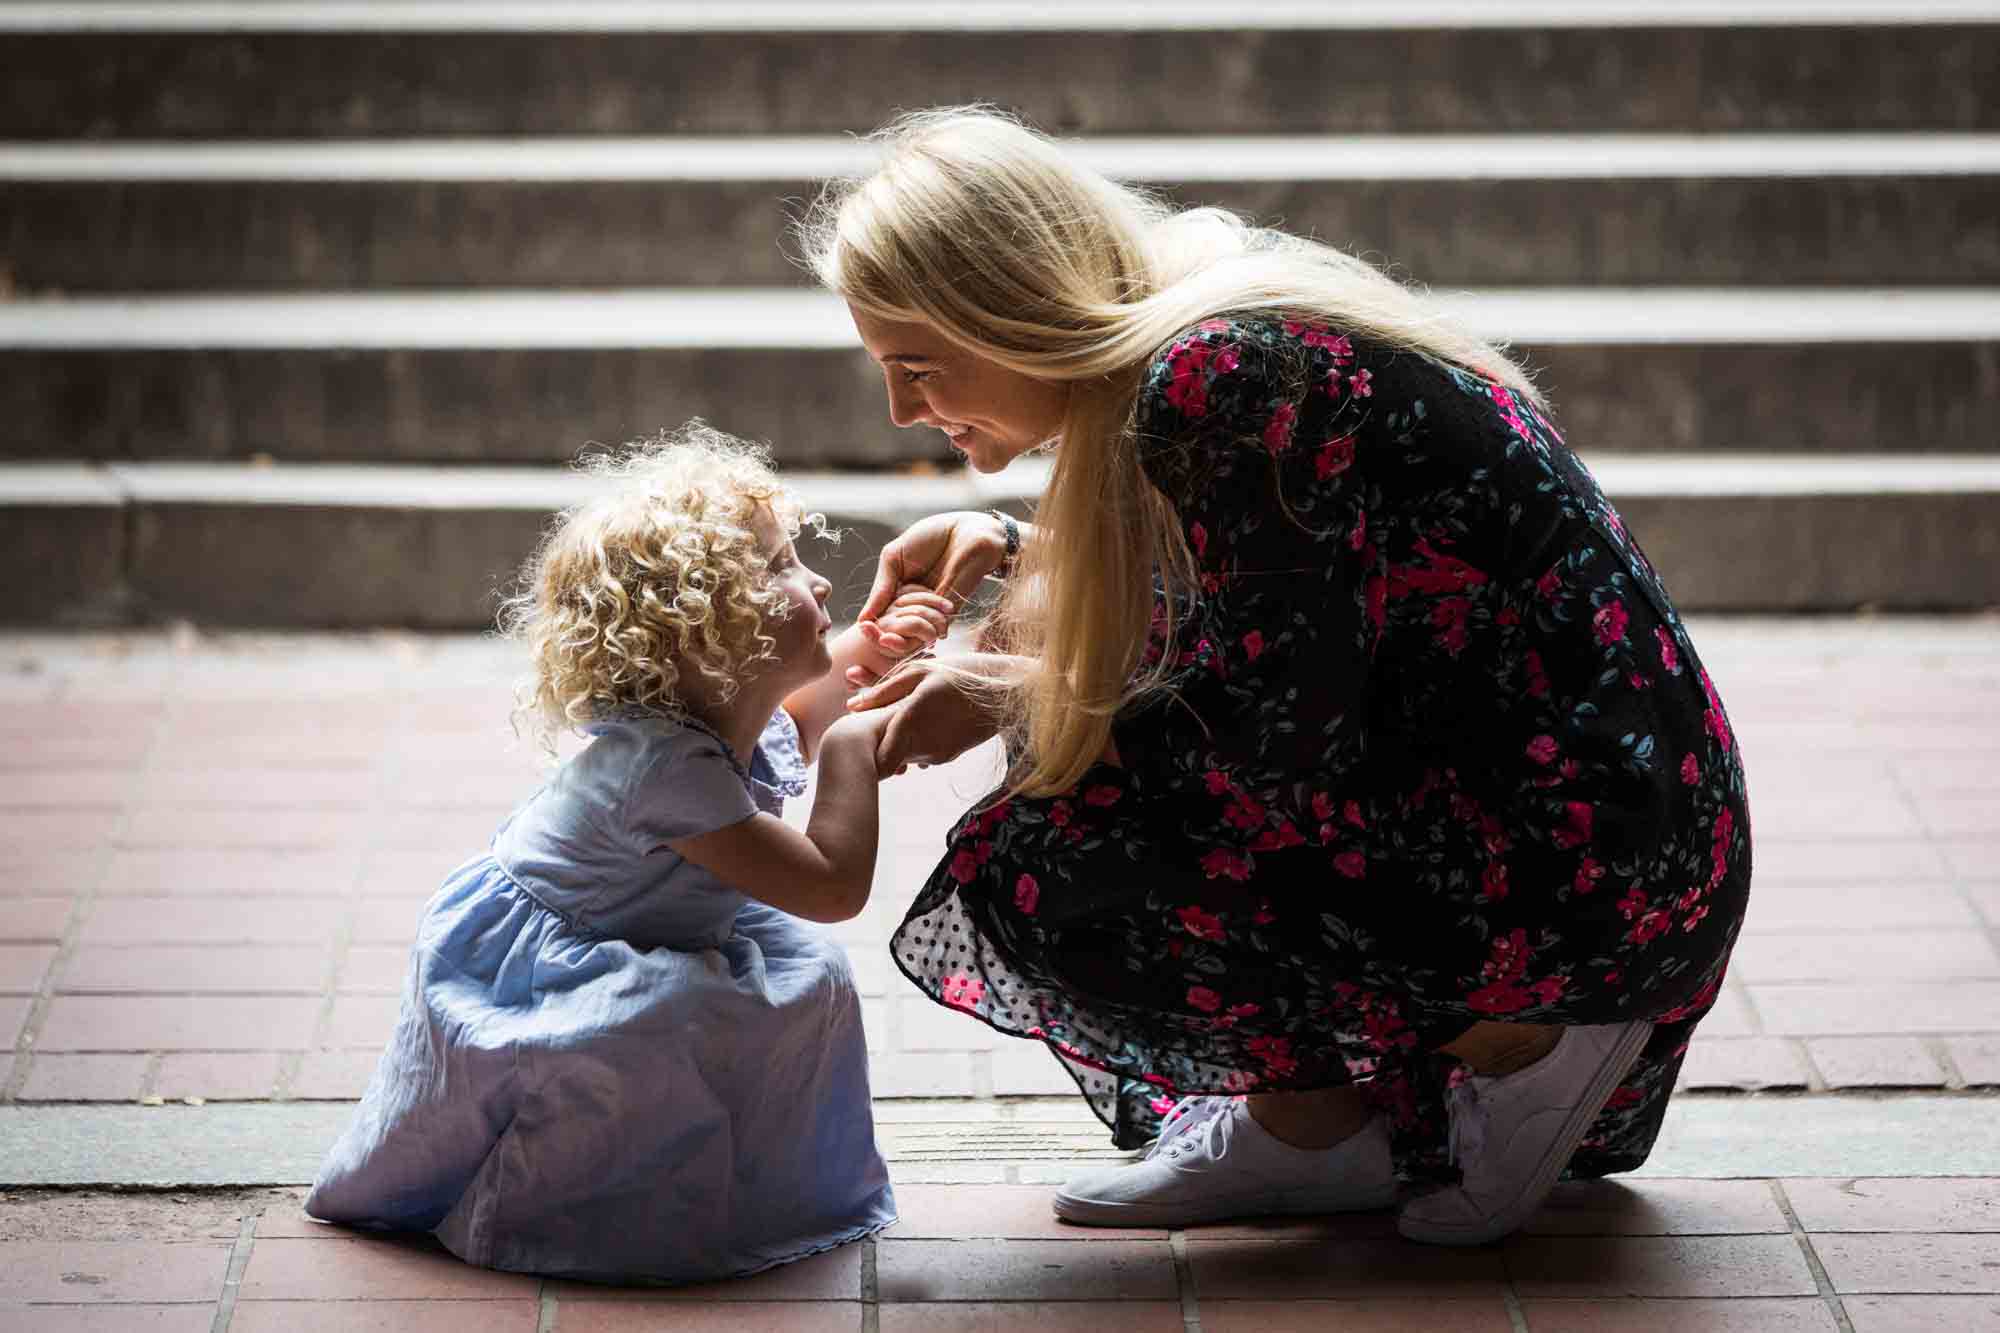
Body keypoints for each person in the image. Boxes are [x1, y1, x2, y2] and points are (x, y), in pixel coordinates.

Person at [806, 108, 1753, 1244]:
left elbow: (1269, 730)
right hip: (1607, 837)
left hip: (1602, 883)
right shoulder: (1204, 321)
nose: (905, 410)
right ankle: (1311, 1128)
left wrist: (1009, 686)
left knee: (1056, 858)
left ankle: (1524, 1043)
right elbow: (1256, 602)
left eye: (915, 366)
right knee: (1077, 792)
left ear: (1007, 309)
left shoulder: (1221, 376)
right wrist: (1015, 556)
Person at [305, 424, 953, 1282]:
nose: (818, 577)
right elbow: (831, 885)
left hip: (638, 923)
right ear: (708, 638)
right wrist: (855, 753)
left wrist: (877, 650)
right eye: (780, 568)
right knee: (665, 1027)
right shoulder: (665, 768)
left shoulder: (716, 718)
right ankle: (574, 1212)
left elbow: (808, 704)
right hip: (542, 967)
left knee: (809, 981)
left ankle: (746, 1186)